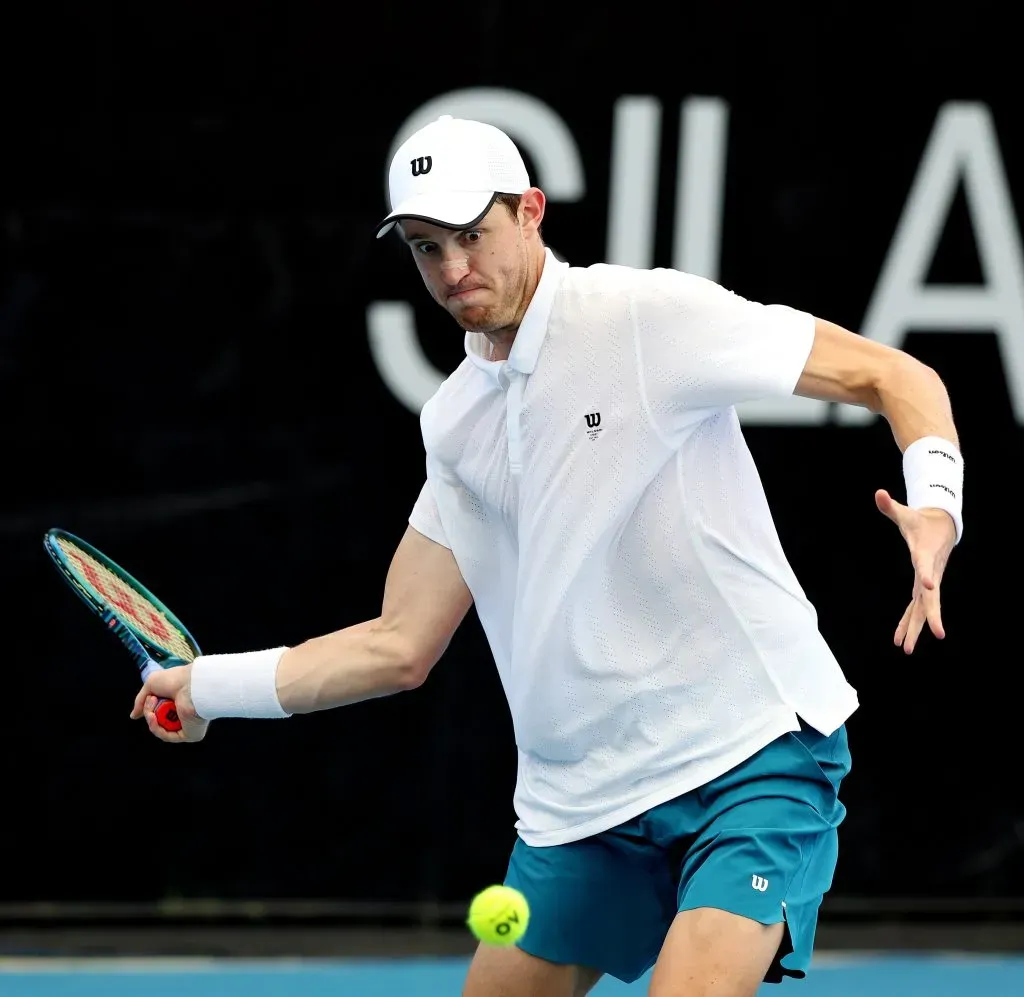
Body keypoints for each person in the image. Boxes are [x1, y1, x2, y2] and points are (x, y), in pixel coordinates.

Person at [132, 114, 964, 997]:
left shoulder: (646, 320)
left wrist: (938, 501)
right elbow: (399, 644)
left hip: (749, 758)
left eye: (472, 236)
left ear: (531, 211)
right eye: (425, 248)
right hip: (582, 809)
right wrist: (210, 687)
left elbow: (896, 377)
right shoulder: (455, 425)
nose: (453, 271)